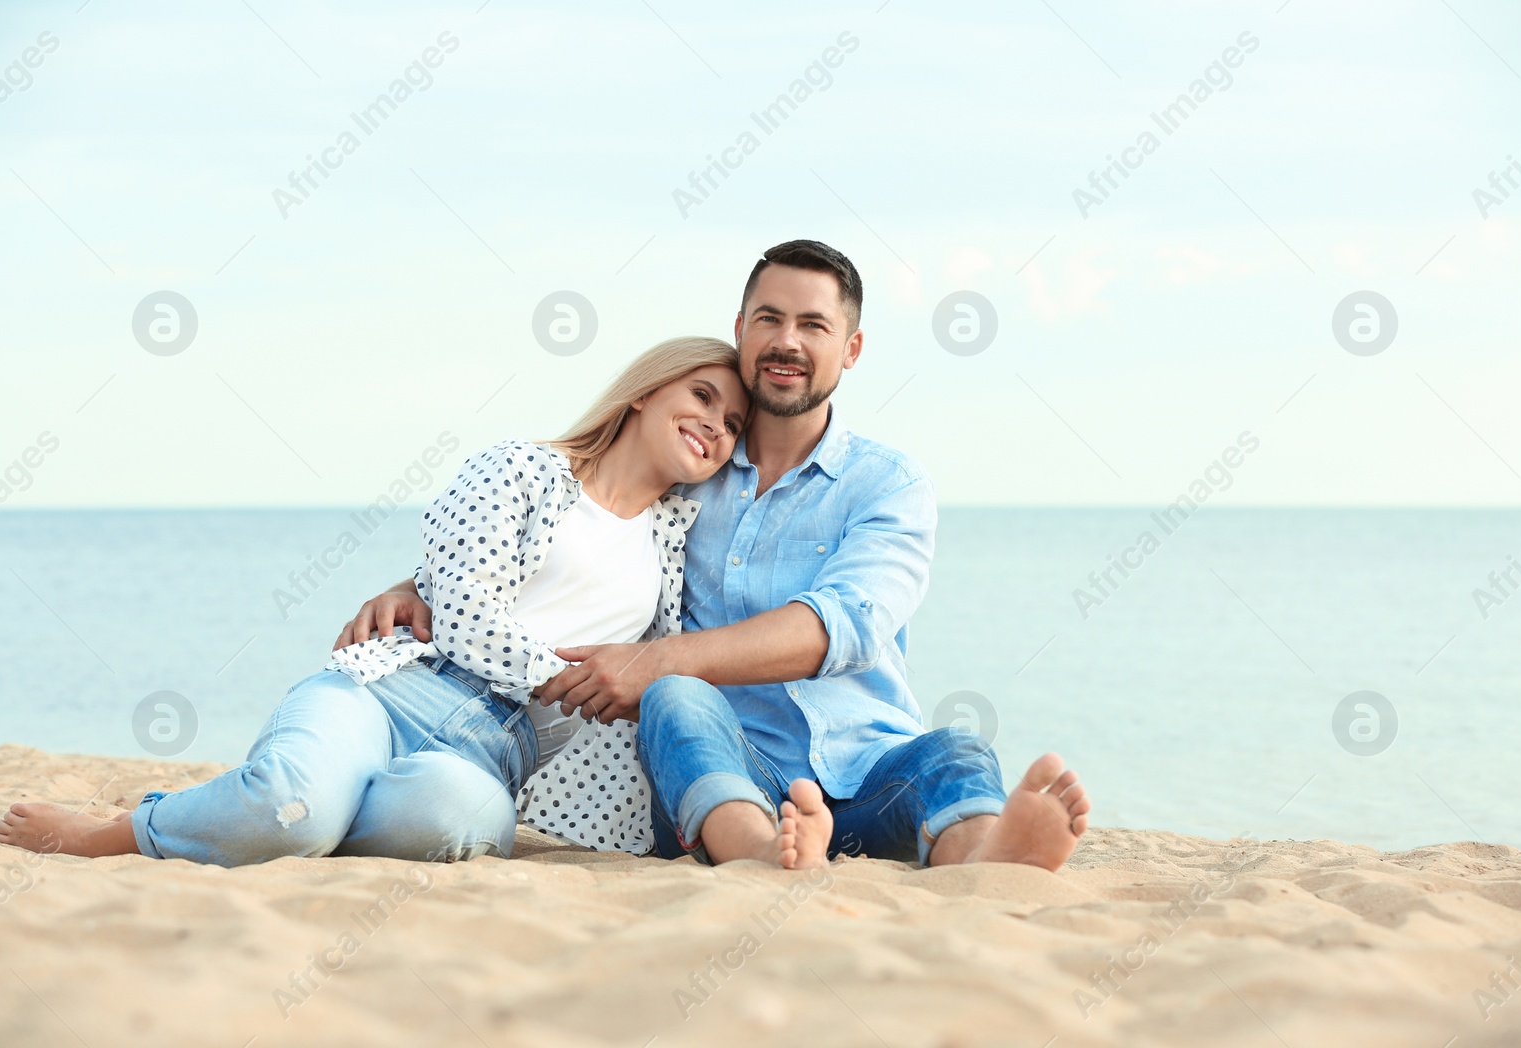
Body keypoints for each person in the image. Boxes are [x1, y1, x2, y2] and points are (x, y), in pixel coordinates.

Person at [345, 240, 1093, 873]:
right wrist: (422, 582)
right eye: (769, 319)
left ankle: (988, 860)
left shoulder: (887, 484)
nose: (787, 341)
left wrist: (660, 657)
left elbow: (843, 628)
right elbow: (574, 534)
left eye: (813, 324)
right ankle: (762, 856)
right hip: (721, 769)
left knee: (953, 753)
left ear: (851, 349)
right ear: (741, 330)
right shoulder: (686, 480)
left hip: (871, 770)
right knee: (675, 696)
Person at [0, 337, 750, 865]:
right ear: (648, 391)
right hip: (393, 696)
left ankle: (283, 816)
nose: (715, 425)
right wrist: (562, 676)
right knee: (293, 805)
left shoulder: (675, 542)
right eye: (703, 396)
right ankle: (114, 833)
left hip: (495, 756)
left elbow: (677, 663)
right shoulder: (523, 468)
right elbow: (461, 597)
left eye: (732, 424)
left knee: (450, 822)